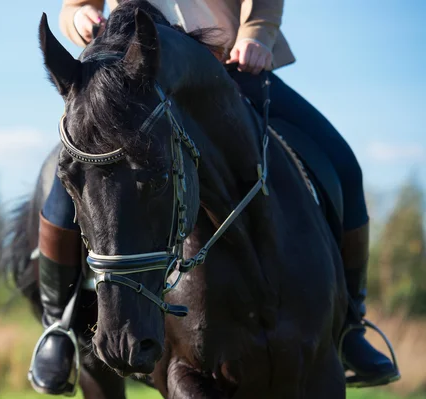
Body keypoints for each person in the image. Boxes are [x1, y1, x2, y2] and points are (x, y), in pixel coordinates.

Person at [30, 0, 399, 395]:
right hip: (131, 75)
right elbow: (78, 6)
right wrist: (80, 18)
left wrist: (257, 35)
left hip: (229, 67)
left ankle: (350, 326)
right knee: (68, 180)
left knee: (342, 163)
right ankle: (59, 326)